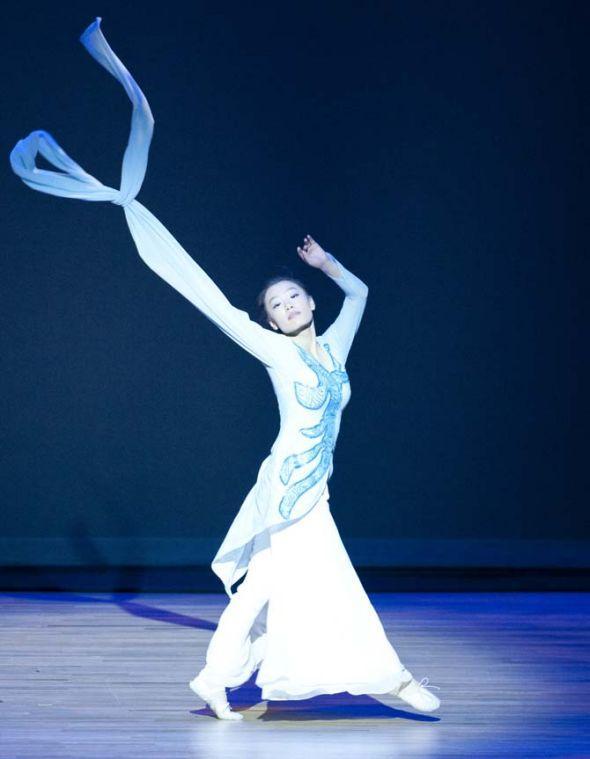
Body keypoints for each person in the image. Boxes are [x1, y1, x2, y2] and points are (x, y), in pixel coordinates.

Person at [9, 17, 441, 721]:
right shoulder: (271, 347)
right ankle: (387, 675)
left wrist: (327, 265)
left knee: (267, 584)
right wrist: (143, 222)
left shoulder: (333, 345)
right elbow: (212, 302)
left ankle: (216, 677)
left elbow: (360, 294)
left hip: (311, 486)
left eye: (296, 295)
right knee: (326, 578)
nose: (292, 303)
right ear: (270, 318)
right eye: (279, 301)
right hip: (288, 488)